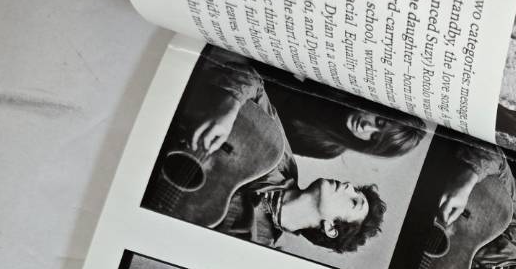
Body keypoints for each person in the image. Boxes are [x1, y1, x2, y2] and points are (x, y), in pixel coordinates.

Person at [156, 47, 386, 252]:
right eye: (356, 189)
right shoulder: (280, 156)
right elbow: (253, 80)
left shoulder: (253, 242)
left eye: (353, 201)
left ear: (331, 228)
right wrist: (230, 106)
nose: (348, 186)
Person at [259, 75, 427, 161]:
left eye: (374, 137)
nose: (366, 127)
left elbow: (265, 143)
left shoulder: (328, 149)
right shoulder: (343, 84)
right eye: (379, 121)